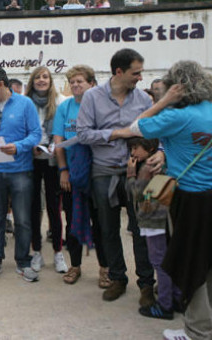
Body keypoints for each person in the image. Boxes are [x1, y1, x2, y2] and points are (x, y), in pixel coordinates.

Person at [116, 61, 212, 340]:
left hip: (189, 198)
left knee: (190, 263)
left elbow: (136, 126)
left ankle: (197, 331)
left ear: (176, 88)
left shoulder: (176, 117)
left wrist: (164, 101)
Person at [76, 48, 158, 304]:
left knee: (142, 228)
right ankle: (118, 278)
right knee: (108, 229)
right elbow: (83, 134)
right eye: (136, 73)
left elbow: (157, 131)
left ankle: (146, 284)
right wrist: (117, 133)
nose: (140, 78)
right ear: (119, 72)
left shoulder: (144, 100)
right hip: (104, 172)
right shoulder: (92, 97)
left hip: (138, 174)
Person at [0, 67, 41, 282]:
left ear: (1, 84)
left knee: (22, 220)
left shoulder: (25, 104)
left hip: (21, 171)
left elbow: (36, 134)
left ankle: (23, 261)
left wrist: (19, 146)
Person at [53, 65, 109, 286]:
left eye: (80, 81)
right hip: (72, 175)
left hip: (97, 173)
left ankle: (105, 268)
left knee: (101, 223)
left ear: (92, 84)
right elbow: (58, 141)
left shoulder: (101, 106)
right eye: (72, 82)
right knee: (72, 221)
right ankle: (75, 266)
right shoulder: (65, 107)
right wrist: (63, 170)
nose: (76, 85)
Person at [125, 137, 181, 320]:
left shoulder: (146, 168)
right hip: (166, 217)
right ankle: (177, 297)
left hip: (152, 220)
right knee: (171, 258)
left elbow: (137, 193)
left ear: (149, 148)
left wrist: (131, 173)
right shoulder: (163, 163)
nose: (133, 153)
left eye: (136, 148)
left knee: (159, 261)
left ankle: (165, 304)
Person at [25, 67, 69, 274]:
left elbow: (62, 130)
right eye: (37, 77)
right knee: (34, 207)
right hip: (31, 159)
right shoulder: (25, 102)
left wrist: (54, 144)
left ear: (51, 81)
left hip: (52, 159)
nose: (41, 80)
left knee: (54, 206)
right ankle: (37, 252)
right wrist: (30, 143)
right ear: (32, 81)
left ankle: (58, 252)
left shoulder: (60, 101)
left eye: (45, 77)